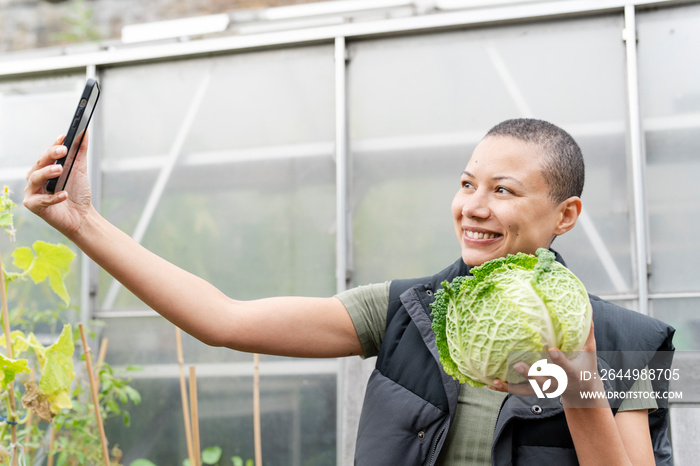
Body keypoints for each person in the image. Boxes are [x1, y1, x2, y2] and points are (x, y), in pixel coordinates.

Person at [24, 118, 674, 465]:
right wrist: (82, 222)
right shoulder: (407, 312)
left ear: (566, 215)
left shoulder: (627, 346)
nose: (473, 207)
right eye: (467, 183)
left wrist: (580, 386)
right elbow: (221, 319)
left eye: (503, 190)